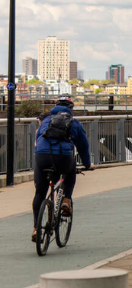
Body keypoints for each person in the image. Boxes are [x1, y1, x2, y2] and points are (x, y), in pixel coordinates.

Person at [32, 95, 91, 241]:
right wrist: (87, 164)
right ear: (71, 109)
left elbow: (38, 140)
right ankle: (66, 199)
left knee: (40, 193)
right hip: (63, 157)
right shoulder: (74, 123)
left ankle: (36, 229)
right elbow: (83, 146)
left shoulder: (45, 121)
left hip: (42, 156)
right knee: (70, 171)